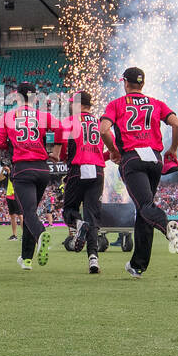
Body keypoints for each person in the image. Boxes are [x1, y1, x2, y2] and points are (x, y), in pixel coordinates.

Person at [100, 67, 178, 278]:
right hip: (154, 159)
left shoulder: (116, 104)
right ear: (143, 83)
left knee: (146, 206)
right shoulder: (156, 103)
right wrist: (173, 149)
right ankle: (138, 265)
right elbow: (177, 124)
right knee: (143, 209)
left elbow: (104, 129)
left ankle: (168, 226)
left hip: (132, 158)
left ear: (125, 83)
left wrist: (113, 151)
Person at [0, 82, 65, 270]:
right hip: (42, 169)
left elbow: (0, 143)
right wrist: (56, 151)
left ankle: (41, 234)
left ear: (17, 97)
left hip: (23, 168)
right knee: (30, 210)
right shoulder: (43, 116)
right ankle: (26, 258)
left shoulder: (8, 116)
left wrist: (12, 141)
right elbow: (61, 128)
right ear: (35, 98)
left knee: (28, 212)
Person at [59, 91, 106, 275]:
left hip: (78, 169)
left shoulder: (70, 121)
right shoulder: (101, 122)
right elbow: (108, 150)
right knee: (92, 217)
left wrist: (62, 158)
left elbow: (63, 149)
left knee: (69, 210)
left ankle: (79, 225)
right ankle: (93, 259)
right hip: (98, 170)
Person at [0, 167, 23, 240]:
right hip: (9, 195)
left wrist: (9, 171)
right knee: (12, 216)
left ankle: (24, 235)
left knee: (20, 216)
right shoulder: (9, 171)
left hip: (16, 194)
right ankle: (14, 235)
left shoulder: (18, 170)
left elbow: (13, 179)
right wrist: (2, 170)